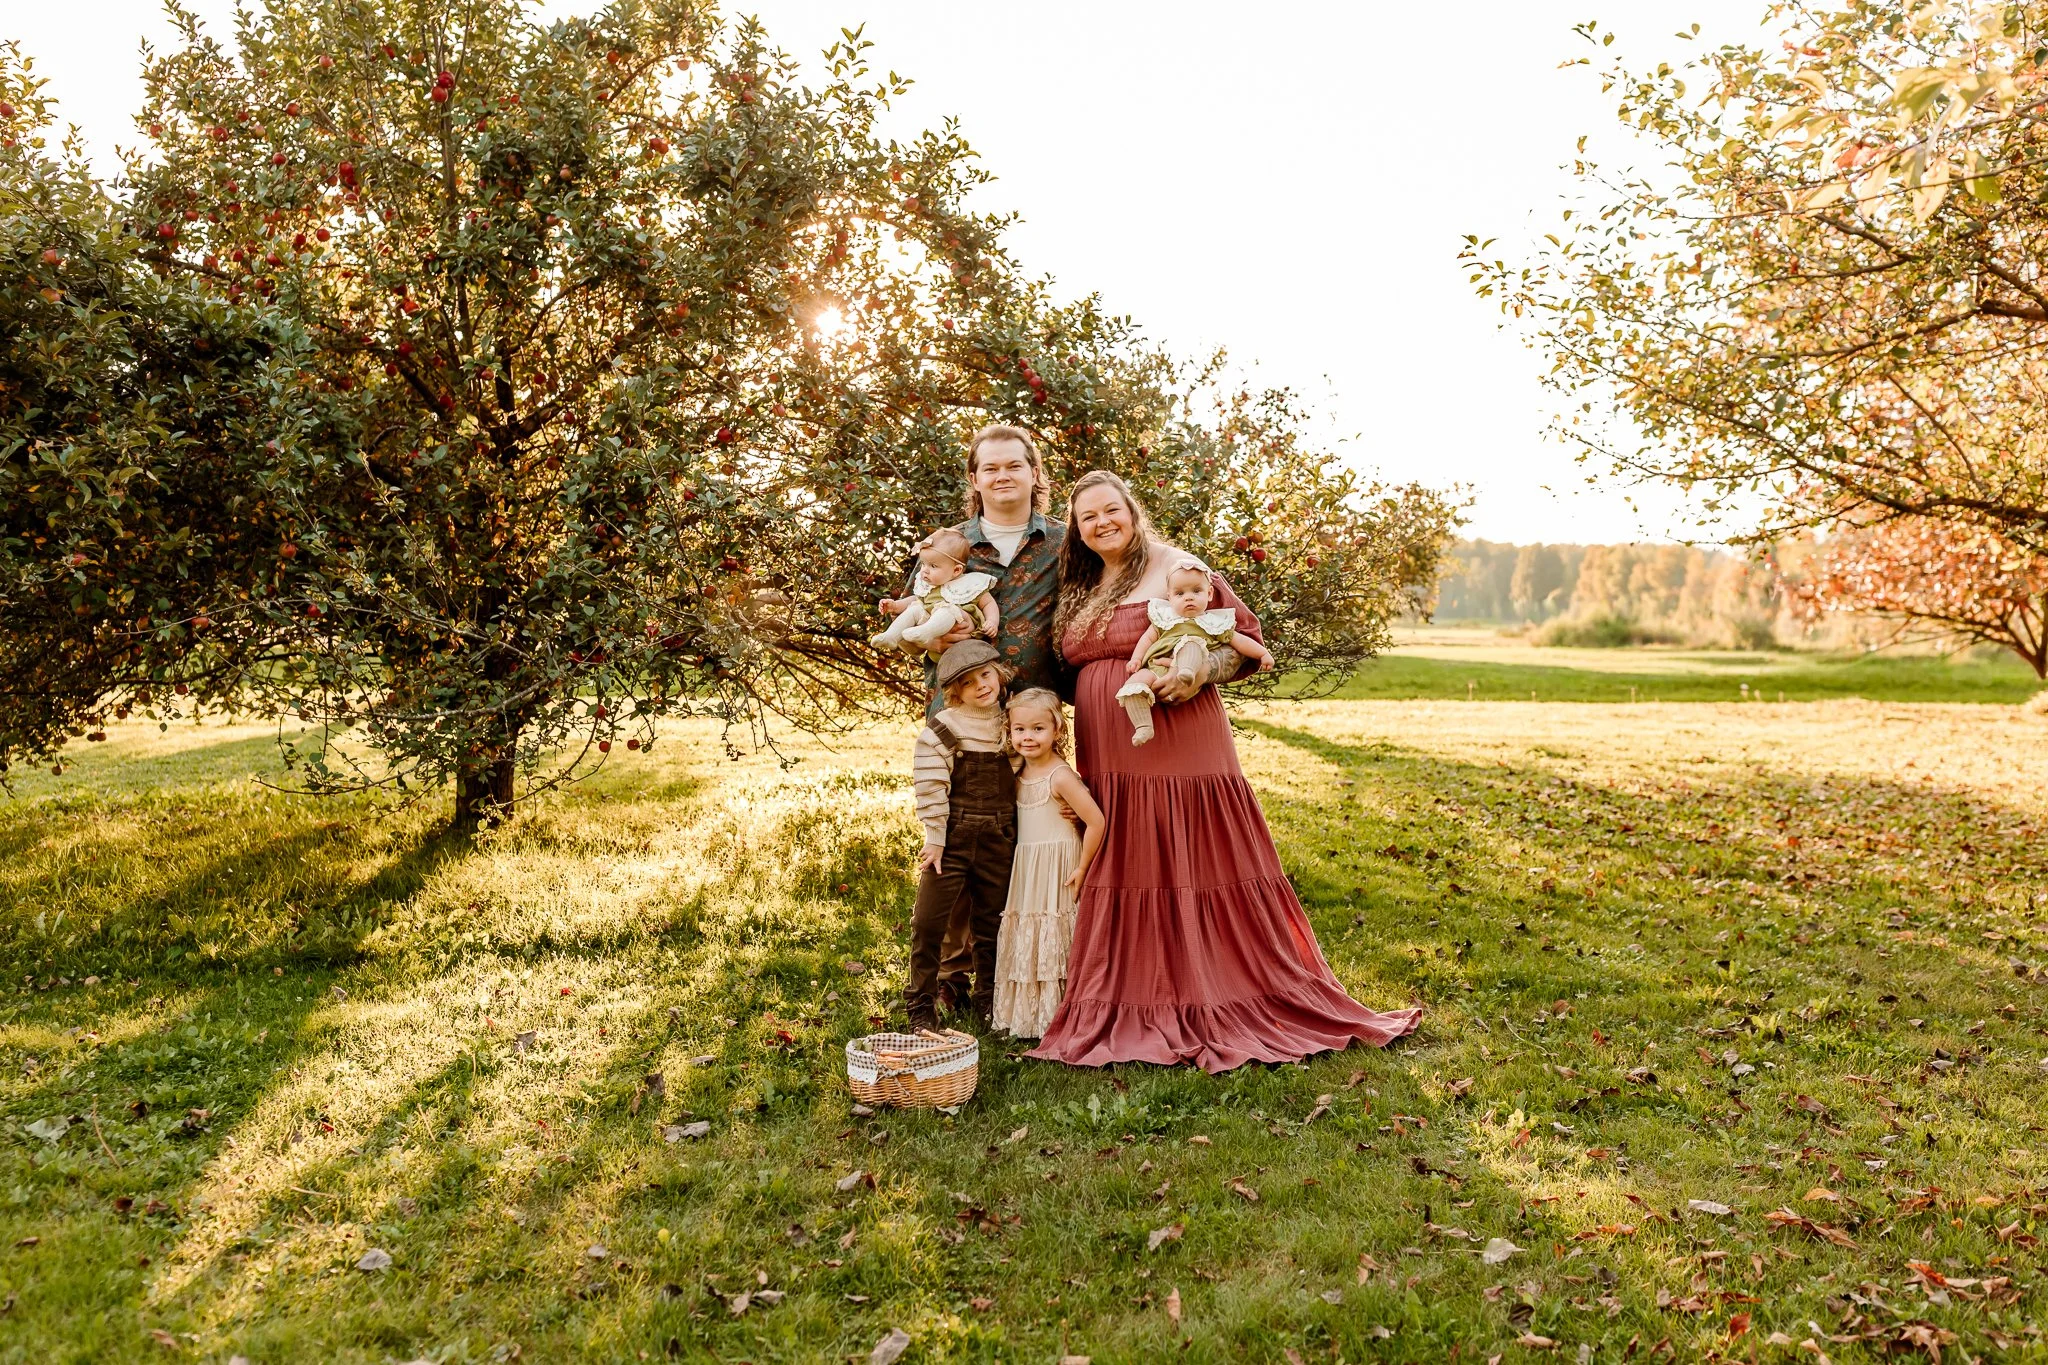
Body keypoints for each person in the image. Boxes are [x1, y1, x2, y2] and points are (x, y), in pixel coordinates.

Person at [1027, 470, 1422, 1073]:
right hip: (1109, 750)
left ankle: (1215, 989)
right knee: (1130, 854)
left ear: (1132, 512)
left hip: (1179, 740)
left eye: (1112, 511)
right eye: (1088, 518)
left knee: (1191, 855)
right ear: (1076, 532)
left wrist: (1190, 676)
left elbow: (1242, 637)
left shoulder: (1177, 566)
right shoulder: (1080, 584)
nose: (1102, 523)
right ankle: (1136, 987)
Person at [903, 639, 1017, 1032]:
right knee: (928, 921)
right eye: (969, 683)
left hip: (1000, 835)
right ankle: (920, 1003)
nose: (981, 686)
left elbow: (1026, 771)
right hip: (951, 836)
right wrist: (935, 837)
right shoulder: (943, 728)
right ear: (955, 692)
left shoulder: (1011, 721)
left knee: (992, 922)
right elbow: (931, 784)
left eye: (986, 675)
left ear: (998, 674)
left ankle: (989, 1002)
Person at [992, 688, 1105, 1039]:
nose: (1028, 737)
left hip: (1058, 865)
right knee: (1029, 930)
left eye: (1038, 729)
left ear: (1057, 730)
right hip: (1028, 866)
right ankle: (1029, 1017)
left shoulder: (1059, 776)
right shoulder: (1017, 772)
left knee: (1055, 934)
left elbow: (1097, 821)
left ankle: (1061, 1016)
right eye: (1020, 729)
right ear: (1009, 731)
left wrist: (1083, 868)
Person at [1118, 555, 1273, 745]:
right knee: (1135, 684)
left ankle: (1186, 671)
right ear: (1170, 597)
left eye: (1196, 591)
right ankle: (1143, 726)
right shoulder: (1164, 618)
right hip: (1155, 670)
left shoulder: (1212, 623)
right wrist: (1136, 659)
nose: (1188, 597)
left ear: (1209, 594)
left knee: (1190, 644)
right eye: (1180, 594)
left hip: (1191, 664)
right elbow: (1147, 639)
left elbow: (1239, 641)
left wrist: (1262, 654)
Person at [870, 528, 999, 654]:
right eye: (923, 564)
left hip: (960, 638)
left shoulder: (969, 584)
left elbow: (988, 603)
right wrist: (895, 605)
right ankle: (891, 636)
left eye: (933, 566)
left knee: (947, 610)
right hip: (936, 644)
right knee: (914, 609)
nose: (925, 570)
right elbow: (916, 599)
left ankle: (926, 632)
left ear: (956, 570)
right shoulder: (928, 585)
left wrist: (992, 621)